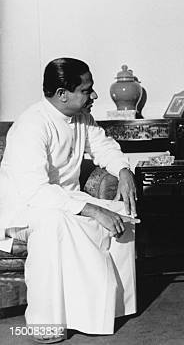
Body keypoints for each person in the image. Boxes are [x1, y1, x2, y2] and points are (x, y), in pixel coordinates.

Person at [0, 58, 138, 341]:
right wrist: (92, 211)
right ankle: (45, 323)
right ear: (63, 94)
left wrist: (124, 171)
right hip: (25, 208)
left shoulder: (82, 118)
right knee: (55, 224)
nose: (94, 96)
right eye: (87, 90)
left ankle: (103, 311)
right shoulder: (31, 125)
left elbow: (103, 147)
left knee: (121, 212)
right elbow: (36, 191)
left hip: (64, 199)